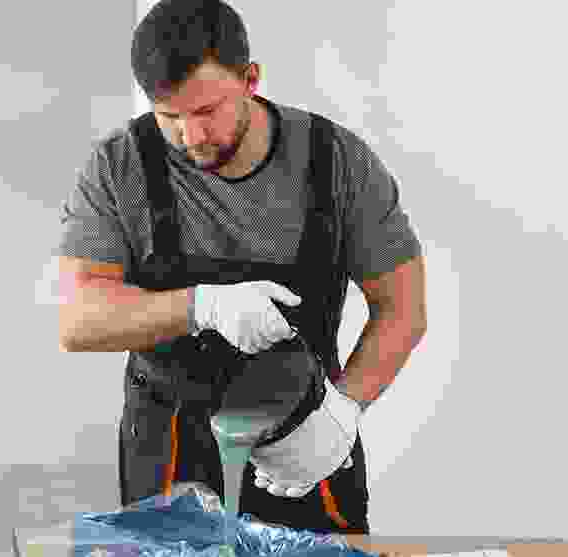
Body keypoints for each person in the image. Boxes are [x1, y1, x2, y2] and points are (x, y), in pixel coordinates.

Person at [56, 0, 426, 535]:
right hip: (169, 448)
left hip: (303, 437)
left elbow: (402, 307)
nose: (191, 137)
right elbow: (77, 319)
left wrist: (344, 411)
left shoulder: (337, 162)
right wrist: (201, 306)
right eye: (169, 117)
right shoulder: (119, 166)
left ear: (251, 79)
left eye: (207, 110)